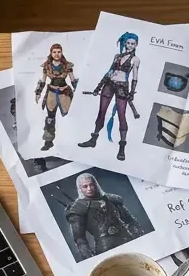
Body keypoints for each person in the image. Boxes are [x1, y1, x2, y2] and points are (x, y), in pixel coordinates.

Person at [78, 32, 139, 162]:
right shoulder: (117, 56)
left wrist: (132, 93)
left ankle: (122, 147)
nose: (130, 45)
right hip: (109, 85)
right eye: (128, 43)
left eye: (132, 43)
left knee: (121, 116)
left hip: (123, 87)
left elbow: (135, 77)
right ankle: (93, 139)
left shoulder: (135, 60)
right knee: (102, 112)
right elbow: (109, 71)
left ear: (136, 45)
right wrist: (98, 87)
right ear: (125, 43)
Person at [65, 172, 141, 258]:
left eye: (91, 185)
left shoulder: (111, 199)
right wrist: (90, 257)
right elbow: (79, 239)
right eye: (85, 186)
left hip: (127, 239)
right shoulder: (78, 208)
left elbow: (131, 221)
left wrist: (137, 237)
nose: (89, 189)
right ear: (80, 188)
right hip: (106, 248)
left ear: (95, 184)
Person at [34, 43, 77, 152]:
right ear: (51, 53)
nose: (57, 54)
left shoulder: (67, 65)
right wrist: (38, 92)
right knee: (50, 118)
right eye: (54, 52)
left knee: (74, 115)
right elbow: (43, 80)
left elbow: (73, 79)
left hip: (65, 94)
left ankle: (75, 141)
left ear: (61, 52)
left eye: (59, 52)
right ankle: (48, 142)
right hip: (52, 94)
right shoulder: (46, 66)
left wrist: (78, 89)